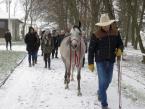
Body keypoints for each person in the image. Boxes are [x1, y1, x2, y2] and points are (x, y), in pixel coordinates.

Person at [88, 13, 124, 109]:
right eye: (104, 25)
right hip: (100, 61)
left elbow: (120, 44)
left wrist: (120, 49)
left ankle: (100, 92)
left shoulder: (116, 33)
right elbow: (91, 49)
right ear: (101, 25)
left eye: (107, 24)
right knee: (103, 81)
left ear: (110, 24)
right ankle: (104, 104)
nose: (106, 26)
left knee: (108, 80)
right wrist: (90, 63)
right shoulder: (96, 35)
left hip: (111, 60)